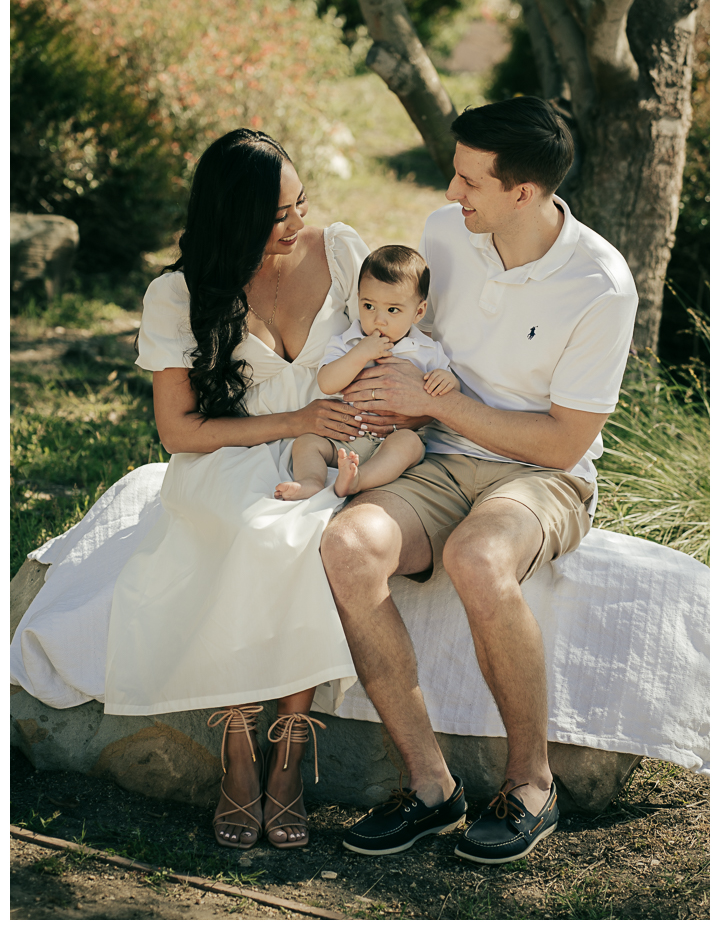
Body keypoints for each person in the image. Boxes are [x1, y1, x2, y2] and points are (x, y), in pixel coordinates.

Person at [320, 97, 638, 864]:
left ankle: (532, 786)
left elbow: (565, 443)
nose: (450, 194)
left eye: (469, 181)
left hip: (539, 477)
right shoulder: (444, 235)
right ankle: (431, 789)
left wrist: (447, 407)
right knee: (349, 546)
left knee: (477, 556)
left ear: (522, 192)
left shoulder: (601, 285)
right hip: (433, 457)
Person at [98, 128, 387, 853]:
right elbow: (179, 432)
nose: (296, 225)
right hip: (230, 449)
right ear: (233, 217)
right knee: (255, 529)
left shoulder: (343, 252)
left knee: (308, 529)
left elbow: (401, 339)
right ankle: (237, 745)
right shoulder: (178, 292)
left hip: (331, 446)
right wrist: (291, 418)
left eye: (300, 205)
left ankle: (287, 754)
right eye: (277, 215)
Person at [274, 245, 459, 502]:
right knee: (305, 443)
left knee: (410, 445)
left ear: (418, 312)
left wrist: (447, 380)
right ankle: (310, 482)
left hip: (393, 437)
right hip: (345, 435)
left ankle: (359, 479)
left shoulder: (427, 350)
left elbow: (451, 393)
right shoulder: (347, 342)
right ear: (358, 298)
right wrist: (360, 353)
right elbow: (327, 383)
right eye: (369, 305)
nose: (378, 320)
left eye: (392, 310)